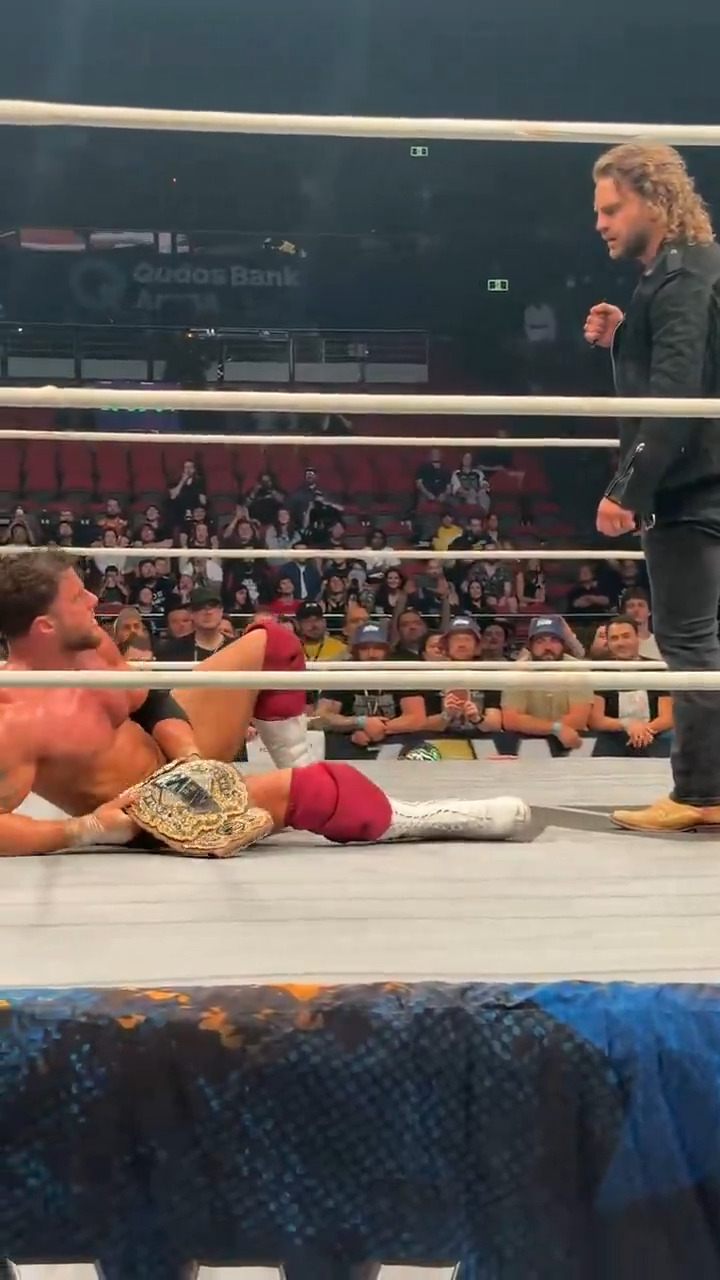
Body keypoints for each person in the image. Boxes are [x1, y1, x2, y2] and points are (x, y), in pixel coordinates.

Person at [0, 552, 529, 853]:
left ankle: (295, 762)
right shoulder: (15, 716)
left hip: (182, 761)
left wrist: (187, 752)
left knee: (271, 642)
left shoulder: (91, 643)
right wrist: (84, 829)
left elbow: (147, 701)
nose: (95, 601)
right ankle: (423, 817)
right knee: (323, 790)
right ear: (44, 626)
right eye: (79, 598)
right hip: (159, 814)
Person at [584, 143, 720, 831]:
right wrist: (624, 337)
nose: (601, 223)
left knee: (689, 642)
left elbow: (676, 394)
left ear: (655, 202)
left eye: (613, 209)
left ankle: (701, 793)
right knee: (699, 641)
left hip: (693, 489)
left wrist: (628, 488)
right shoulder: (685, 272)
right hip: (702, 480)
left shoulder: (684, 276)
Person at [588, 616, 673, 756]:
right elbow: (596, 720)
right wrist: (628, 725)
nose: (621, 643)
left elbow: (667, 717)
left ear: (637, 637)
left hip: (652, 733)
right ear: (608, 643)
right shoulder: (601, 671)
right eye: (614, 638)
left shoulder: (656, 668)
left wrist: (642, 730)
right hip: (614, 735)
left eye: (626, 636)